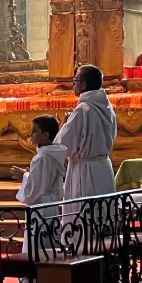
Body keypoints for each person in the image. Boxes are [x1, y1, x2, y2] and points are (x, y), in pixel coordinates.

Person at [54, 64, 117, 228]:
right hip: (103, 167)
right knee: (102, 215)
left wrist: (65, 124)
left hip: (84, 170)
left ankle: (83, 251)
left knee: (83, 220)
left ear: (83, 84)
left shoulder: (83, 110)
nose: (73, 85)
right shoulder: (107, 107)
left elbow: (62, 145)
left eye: (75, 81)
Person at [11, 115, 67, 283]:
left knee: (37, 250)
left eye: (35, 131)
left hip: (40, 209)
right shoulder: (55, 154)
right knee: (50, 247)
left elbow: (34, 191)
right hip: (51, 208)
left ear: (46, 135)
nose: (31, 134)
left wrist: (24, 176)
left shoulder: (41, 157)